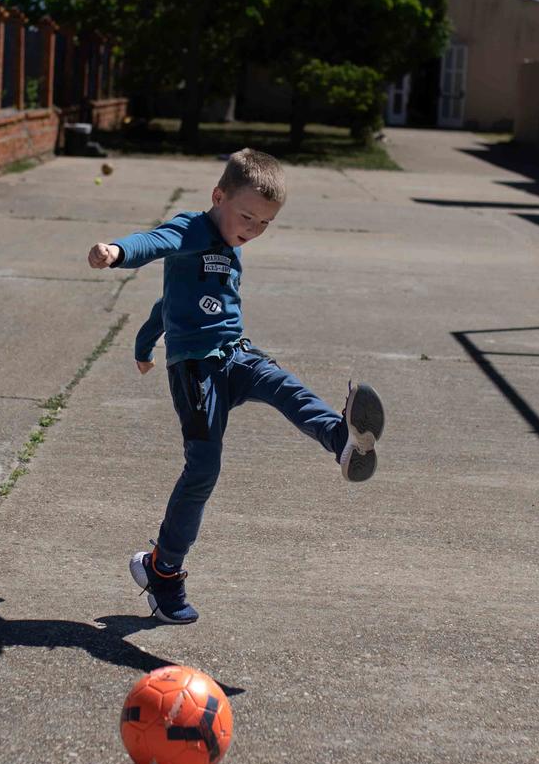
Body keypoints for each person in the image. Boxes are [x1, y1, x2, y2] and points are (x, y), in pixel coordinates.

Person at [86, 148, 384, 624]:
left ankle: (343, 439)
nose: (252, 229)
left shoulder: (231, 245)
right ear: (217, 196)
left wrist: (145, 342)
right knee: (203, 469)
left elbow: (168, 303)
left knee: (285, 386)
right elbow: (152, 242)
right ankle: (163, 571)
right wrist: (118, 253)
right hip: (195, 372)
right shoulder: (191, 229)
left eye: (264, 224)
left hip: (235, 355)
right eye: (246, 216)